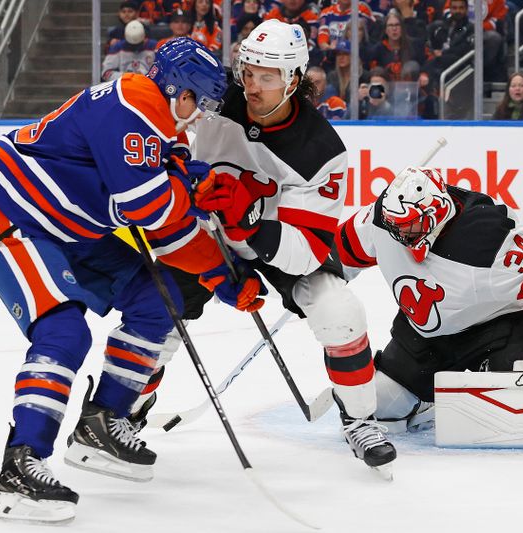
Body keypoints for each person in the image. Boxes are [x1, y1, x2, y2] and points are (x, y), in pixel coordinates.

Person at [0, 39, 263, 524]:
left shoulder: (160, 125)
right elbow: (149, 210)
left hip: (71, 225)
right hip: (14, 211)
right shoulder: (134, 106)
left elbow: (169, 223)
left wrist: (220, 276)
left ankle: (103, 421)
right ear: (181, 94)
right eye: (202, 104)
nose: (201, 116)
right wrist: (192, 193)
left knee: (160, 297)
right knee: (63, 331)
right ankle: (20, 465)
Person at [173, 20, 397, 472]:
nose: (252, 86)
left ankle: (359, 419)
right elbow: (168, 122)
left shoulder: (322, 150)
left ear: (294, 80)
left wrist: (251, 220)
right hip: (209, 232)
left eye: (267, 77)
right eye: (248, 72)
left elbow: (309, 249)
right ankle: (124, 405)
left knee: (339, 310)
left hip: (274, 243)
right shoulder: (220, 96)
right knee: (156, 303)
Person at [334, 166, 523, 433]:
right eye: (395, 225)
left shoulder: (485, 234)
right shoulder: (384, 219)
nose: (399, 235)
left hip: (500, 328)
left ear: (434, 215)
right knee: (380, 407)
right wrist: (310, 283)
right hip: (427, 340)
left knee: (517, 413)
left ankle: (500, 377)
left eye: (409, 227)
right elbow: (337, 253)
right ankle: (427, 402)